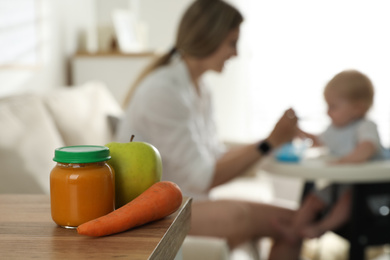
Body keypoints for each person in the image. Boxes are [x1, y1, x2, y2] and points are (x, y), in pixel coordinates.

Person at [116, 0, 302, 259]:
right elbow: (204, 178)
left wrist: (274, 139)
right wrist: (269, 143)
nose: (235, 54)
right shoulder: (163, 92)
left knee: (296, 220)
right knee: (295, 222)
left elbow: (215, 156)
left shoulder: (199, 89)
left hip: (186, 201)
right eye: (232, 43)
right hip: (160, 212)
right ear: (208, 39)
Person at [273, 69, 385, 243]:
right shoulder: (335, 129)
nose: (327, 112)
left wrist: (344, 162)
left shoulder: (366, 126)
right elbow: (318, 141)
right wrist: (298, 132)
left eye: (333, 106)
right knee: (312, 199)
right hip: (340, 185)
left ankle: (321, 228)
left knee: (349, 201)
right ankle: (293, 231)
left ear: (357, 108)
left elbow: (367, 148)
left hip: (367, 192)